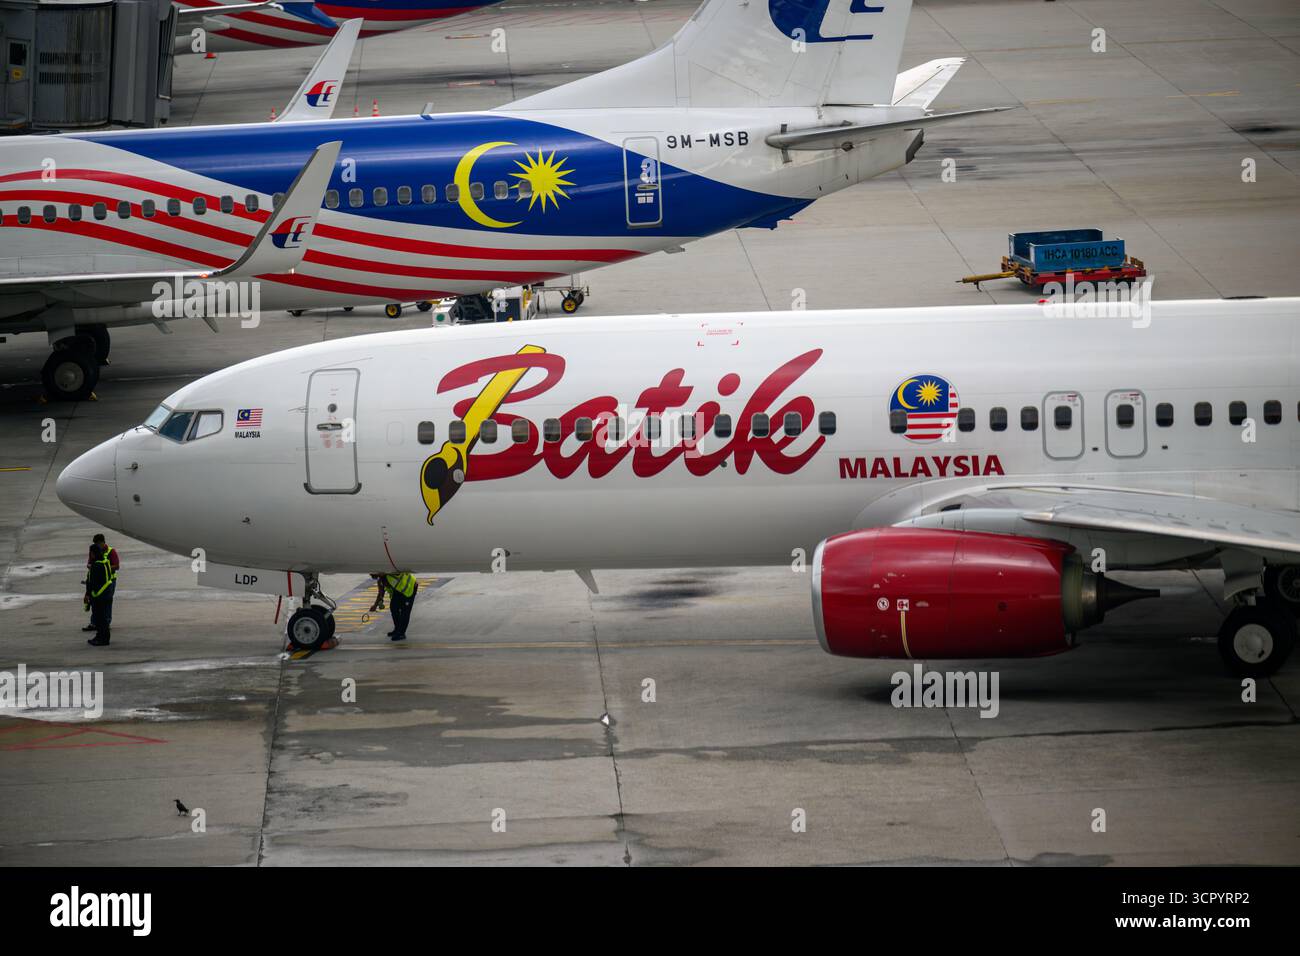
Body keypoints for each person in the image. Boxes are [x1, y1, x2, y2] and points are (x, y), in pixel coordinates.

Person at [83, 534, 119, 632]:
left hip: (109, 582)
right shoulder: (94, 550)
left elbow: (116, 566)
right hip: (97, 582)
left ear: (103, 542)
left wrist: (102, 568)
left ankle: (106, 622)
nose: (97, 545)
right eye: (95, 544)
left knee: (107, 602)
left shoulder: (111, 551)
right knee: (95, 603)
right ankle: (94, 623)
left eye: (98, 543)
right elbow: (89, 564)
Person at [369, 571, 418, 641]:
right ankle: (397, 629)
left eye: (372, 574)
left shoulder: (391, 573)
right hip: (398, 591)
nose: (371, 575)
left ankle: (401, 633)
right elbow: (381, 593)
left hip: (410, 588)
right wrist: (375, 605)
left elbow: (399, 572)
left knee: (405, 612)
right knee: (393, 608)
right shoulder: (381, 581)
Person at [85, 542, 117, 646]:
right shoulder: (105, 562)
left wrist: (87, 594)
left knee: (100, 619)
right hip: (106, 592)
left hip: (98, 595)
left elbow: (92, 582)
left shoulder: (96, 565)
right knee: (102, 618)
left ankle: (102, 639)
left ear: (93, 554)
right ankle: (101, 637)